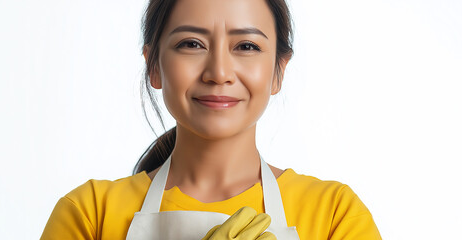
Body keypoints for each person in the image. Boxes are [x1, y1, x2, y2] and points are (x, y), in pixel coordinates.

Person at [41, 0, 382, 239]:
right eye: (191, 43)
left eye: (246, 46)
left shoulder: (334, 216)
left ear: (279, 71)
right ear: (154, 66)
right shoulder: (89, 216)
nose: (219, 73)